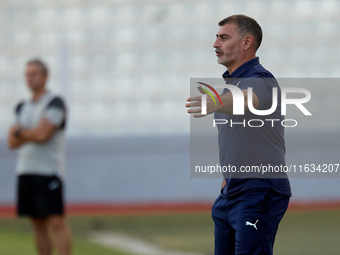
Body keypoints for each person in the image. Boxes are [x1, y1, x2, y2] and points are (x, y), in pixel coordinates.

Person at [186, 15, 291, 255]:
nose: (215, 44)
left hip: (258, 190)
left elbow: (247, 101)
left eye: (224, 37)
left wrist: (216, 102)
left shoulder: (260, 79)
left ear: (246, 43)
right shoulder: (233, 85)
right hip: (232, 191)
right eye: (216, 37)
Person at [7, 59, 72, 255]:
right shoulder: (22, 106)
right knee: (37, 222)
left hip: (49, 170)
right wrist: (30, 133)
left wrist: (22, 133)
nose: (30, 78)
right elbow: (11, 141)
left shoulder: (54, 103)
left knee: (55, 220)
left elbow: (44, 135)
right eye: (27, 74)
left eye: (34, 74)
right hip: (26, 169)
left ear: (45, 76)